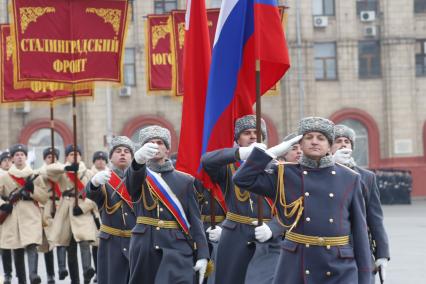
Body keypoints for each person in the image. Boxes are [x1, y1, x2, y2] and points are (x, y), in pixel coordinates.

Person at [233, 117, 372, 284]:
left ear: (329, 145)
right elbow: (242, 179)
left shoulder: (350, 178)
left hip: (339, 266)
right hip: (297, 263)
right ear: (300, 142)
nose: (314, 142)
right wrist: (270, 153)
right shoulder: (284, 174)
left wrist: (365, 277)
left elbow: (360, 232)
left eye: (321, 138)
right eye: (308, 137)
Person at [201, 115, 282, 284]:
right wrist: (239, 154)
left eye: (257, 132)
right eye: (246, 133)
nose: (253, 136)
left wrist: (273, 228)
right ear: (237, 139)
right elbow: (207, 161)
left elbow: (290, 208)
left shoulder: (279, 169)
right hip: (234, 236)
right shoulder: (227, 168)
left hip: (267, 238)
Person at [126, 125, 209, 284]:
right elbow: (130, 185)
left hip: (176, 247)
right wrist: (137, 162)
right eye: (150, 143)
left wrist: (203, 254)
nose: (155, 146)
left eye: (160, 142)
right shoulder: (138, 175)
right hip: (145, 246)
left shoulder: (185, 180)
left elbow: (195, 220)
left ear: (167, 150)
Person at [332, 124, 390, 283]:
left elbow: (375, 218)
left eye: (347, 141)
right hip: (331, 247)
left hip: (360, 247)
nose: (343, 144)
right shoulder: (319, 174)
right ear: (329, 147)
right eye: (338, 141)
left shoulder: (367, 177)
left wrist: (382, 254)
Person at [86, 136, 136, 284]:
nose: (122, 154)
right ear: (111, 157)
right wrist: (94, 183)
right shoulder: (104, 180)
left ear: (132, 157)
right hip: (112, 244)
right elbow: (92, 194)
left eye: (127, 151)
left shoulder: (140, 180)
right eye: (118, 151)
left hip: (136, 241)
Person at [45, 144, 97, 284]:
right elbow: (47, 170)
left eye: (77, 154)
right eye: (71, 154)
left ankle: (87, 270)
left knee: (85, 241)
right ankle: (75, 280)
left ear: (81, 156)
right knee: (70, 249)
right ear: (66, 157)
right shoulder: (61, 171)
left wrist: (84, 207)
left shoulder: (88, 173)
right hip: (65, 211)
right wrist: (66, 168)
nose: (74, 156)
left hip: (82, 210)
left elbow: (95, 195)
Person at [0, 144, 48, 284]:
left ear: (26, 157)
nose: (19, 157)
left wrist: (33, 188)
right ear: (13, 159)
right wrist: (3, 205)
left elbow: (44, 197)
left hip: (30, 213)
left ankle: (33, 275)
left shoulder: (34, 176)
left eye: (22, 154)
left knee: (32, 243)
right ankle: (22, 280)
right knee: (17, 250)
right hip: (12, 214)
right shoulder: (4, 177)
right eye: (16, 155)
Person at [34, 147, 61, 284]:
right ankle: (47, 275)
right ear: (44, 158)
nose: (52, 159)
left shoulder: (62, 172)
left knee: (62, 242)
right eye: (49, 157)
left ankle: (61, 269)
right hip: (45, 208)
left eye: (54, 156)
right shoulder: (39, 172)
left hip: (61, 206)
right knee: (45, 243)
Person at [0, 151, 13, 284]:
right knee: (5, 245)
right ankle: (8, 273)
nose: (7, 162)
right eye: (4, 160)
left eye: (9, 160)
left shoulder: (16, 174)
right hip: (3, 213)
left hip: (17, 211)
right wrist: (3, 204)